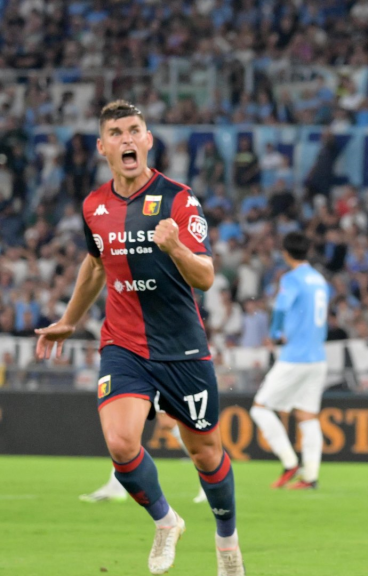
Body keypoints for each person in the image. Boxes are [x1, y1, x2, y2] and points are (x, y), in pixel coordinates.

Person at [34, 100, 244, 575]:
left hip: (181, 348)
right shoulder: (93, 206)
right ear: (102, 146)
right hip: (123, 343)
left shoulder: (178, 198)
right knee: (122, 443)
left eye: (135, 131)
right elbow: (94, 265)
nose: (127, 139)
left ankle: (227, 541)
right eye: (117, 132)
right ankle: (166, 521)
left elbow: (206, 276)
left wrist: (173, 247)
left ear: (148, 140)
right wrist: (70, 319)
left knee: (205, 453)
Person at [250, 232, 329, 490]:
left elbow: (282, 308)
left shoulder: (291, 279)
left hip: (296, 355)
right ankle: (311, 476)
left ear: (285, 253)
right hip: (318, 356)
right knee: (307, 416)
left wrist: (274, 333)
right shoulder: (320, 280)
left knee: (259, 408)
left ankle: (289, 461)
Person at [81, 412, 208, 504]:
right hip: (136, 377)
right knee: (126, 424)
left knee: (167, 422)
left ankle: (209, 475)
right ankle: (115, 487)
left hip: (158, 376)